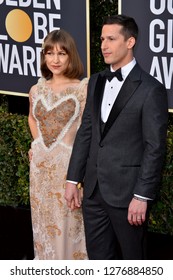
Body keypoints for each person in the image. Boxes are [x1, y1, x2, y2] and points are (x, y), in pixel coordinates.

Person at [65, 15, 168, 260]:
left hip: (128, 194)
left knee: (135, 263)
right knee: (99, 260)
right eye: (102, 39)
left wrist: (142, 196)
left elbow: (154, 147)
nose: (104, 45)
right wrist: (72, 179)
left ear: (130, 42)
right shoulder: (97, 81)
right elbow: (86, 131)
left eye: (111, 39)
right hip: (92, 192)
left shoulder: (150, 89)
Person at [28, 29, 88, 260]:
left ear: (71, 56)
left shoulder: (82, 89)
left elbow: (87, 132)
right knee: (42, 223)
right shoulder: (37, 88)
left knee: (70, 222)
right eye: (50, 53)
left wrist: (80, 175)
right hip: (40, 170)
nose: (55, 59)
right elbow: (32, 118)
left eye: (61, 53)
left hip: (68, 170)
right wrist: (36, 144)